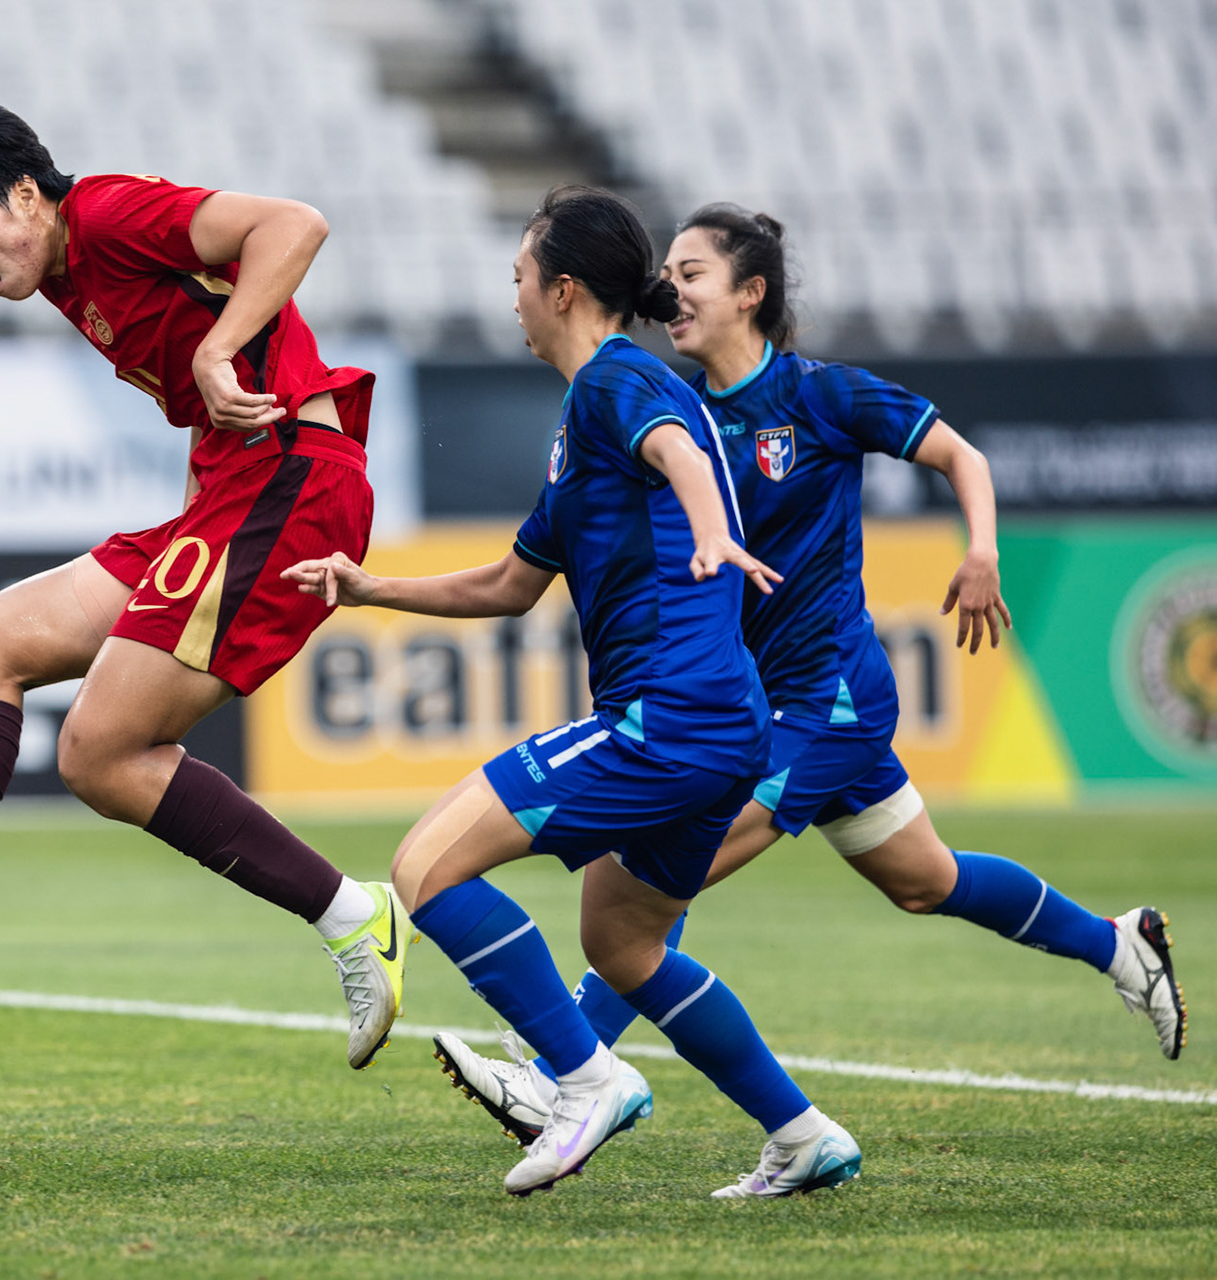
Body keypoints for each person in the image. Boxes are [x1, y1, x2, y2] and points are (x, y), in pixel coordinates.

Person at [429, 203, 1186, 1154]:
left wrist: (982, 549)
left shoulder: (820, 397)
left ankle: (560, 1077)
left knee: (661, 877)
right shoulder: (675, 400)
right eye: (668, 272)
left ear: (752, 293)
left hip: (823, 701)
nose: (674, 290)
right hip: (760, 697)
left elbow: (962, 454)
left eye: (694, 273)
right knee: (927, 880)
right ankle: (1119, 943)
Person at [0, 103, 411, 1072]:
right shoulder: (69, 279)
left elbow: (293, 223)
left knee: (101, 753)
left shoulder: (109, 214)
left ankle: (352, 914)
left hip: (292, 485)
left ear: (27, 195)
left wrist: (217, 346)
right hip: (234, 490)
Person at [285, 186, 861, 1199]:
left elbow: (682, 452)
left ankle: (586, 1079)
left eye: (518, 278)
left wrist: (716, 524)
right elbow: (510, 585)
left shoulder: (613, 383)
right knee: (625, 942)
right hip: (723, 726)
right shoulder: (587, 413)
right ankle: (803, 1131)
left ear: (561, 288)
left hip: (664, 721)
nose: (510, 298)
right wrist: (370, 586)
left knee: (422, 868)